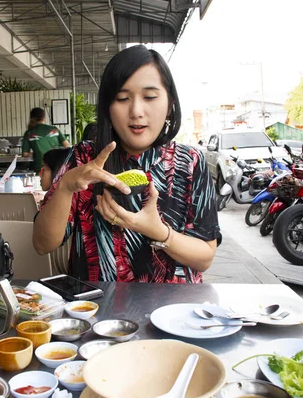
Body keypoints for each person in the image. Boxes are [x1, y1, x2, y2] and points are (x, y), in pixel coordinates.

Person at [33, 45, 221, 283]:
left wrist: (157, 232)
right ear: (108, 108)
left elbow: (205, 257)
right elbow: (42, 244)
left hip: (173, 314)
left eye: (150, 97)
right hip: (97, 310)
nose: (136, 111)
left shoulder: (190, 162)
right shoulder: (83, 159)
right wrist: (66, 186)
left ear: (170, 103)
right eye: (122, 98)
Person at [22, 107, 70, 173]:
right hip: (57, 167)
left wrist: (35, 153)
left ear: (31, 118)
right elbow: (67, 146)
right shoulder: (54, 130)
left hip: (40, 168)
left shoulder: (29, 133)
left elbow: (25, 154)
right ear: (44, 118)